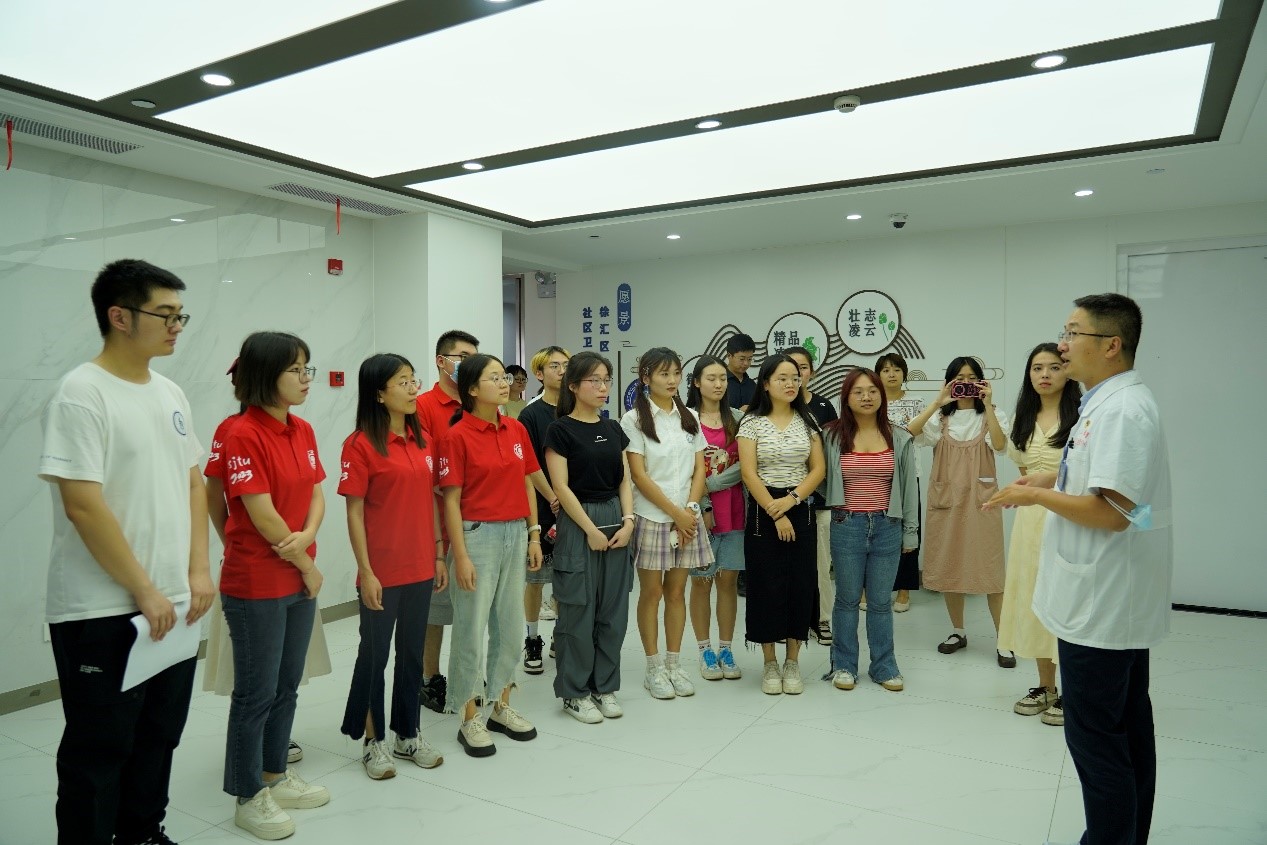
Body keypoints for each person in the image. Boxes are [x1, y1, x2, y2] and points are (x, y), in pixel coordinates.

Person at [39, 259, 212, 845]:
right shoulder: (81, 394)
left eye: (180, 315)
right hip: (103, 610)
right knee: (99, 750)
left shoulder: (170, 392)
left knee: (159, 735)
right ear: (119, 316)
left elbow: (194, 483)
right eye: (165, 315)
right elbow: (83, 505)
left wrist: (197, 570)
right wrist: (143, 589)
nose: (177, 326)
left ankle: (142, 834)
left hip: (175, 602)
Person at [988, 294, 1172, 845]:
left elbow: (1113, 513)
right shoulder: (1102, 401)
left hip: (1103, 603)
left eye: (1072, 333)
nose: (1062, 345)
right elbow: (1102, 483)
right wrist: (1049, 480)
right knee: (1126, 727)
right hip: (1105, 597)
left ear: (1111, 345)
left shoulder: (1123, 410)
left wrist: (1036, 498)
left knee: (1097, 739)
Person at [219, 331, 330, 840]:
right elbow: (261, 515)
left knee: (287, 685)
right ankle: (248, 796)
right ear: (267, 375)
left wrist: (307, 538)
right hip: (256, 580)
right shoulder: (241, 432)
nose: (306, 379)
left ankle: (274, 776)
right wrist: (306, 563)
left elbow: (316, 493)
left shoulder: (301, 428)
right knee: (255, 692)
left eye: (308, 369)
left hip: (297, 571)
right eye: (296, 370)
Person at [338, 354, 444, 780]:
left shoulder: (423, 440)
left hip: (421, 566)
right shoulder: (360, 444)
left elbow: (430, 500)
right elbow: (354, 512)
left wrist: (439, 553)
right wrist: (366, 571)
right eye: (403, 381)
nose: (414, 387)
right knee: (374, 656)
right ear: (379, 394)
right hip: (381, 571)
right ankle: (373, 741)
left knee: (412, 655)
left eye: (413, 379)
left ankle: (407, 734)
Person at [440, 354, 545, 756]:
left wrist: (533, 534)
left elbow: (527, 482)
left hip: (515, 533)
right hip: (477, 535)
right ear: (471, 389)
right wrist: (460, 555)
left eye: (504, 377)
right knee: (470, 628)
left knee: (510, 625)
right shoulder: (456, 436)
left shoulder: (516, 429)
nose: (504, 383)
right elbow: (451, 502)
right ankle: (469, 715)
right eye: (494, 378)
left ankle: (501, 705)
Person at [545, 352, 636, 723]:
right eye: (594, 380)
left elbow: (624, 479)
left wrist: (628, 521)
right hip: (579, 522)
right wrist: (590, 530)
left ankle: (604, 686)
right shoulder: (560, 430)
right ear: (573, 386)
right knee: (577, 611)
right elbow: (561, 488)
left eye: (606, 380)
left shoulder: (613, 428)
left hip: (616, 517)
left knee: (613, 612)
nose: (602, 387)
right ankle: (574, 692)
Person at [907, 356, 1012, 666]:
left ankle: (1004, 640)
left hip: (982, 500)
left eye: (972, 378)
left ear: (982, 382)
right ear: (949, 382)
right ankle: (958, 631)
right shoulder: (940, 418)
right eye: (959, 378)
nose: (966, 384)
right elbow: (910, 432)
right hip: (947, 500)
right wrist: (937, 401)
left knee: (991, 568)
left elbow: (1000, 445)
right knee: (950, 563)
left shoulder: (993, 414)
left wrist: (988, 405)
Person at [819, 369, 919, 692]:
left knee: (879, 602)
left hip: (888, 526)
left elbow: (909, 488)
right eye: (858, 392)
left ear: (881, 396)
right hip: (846, 524)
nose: (866, 397)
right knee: (847, 599)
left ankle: (884, 666)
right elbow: (817, 477)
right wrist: (833, 498)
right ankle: (844, 665)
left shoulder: (899, 437)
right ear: (846, 397)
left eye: (872, 391)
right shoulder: (831, 435)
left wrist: (911, 532)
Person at [621, 347, 713, 700]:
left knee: (677, 593)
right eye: (664, 374)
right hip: (653, 516)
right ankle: (653, 668)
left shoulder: (689, 417)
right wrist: (676, 514)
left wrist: (689, 509)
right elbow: (639, 475)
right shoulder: (633, 420)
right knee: (652, 593)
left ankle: (674, 665)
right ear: (646, 378)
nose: (672, 380)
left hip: (686, 516)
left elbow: (700, 468)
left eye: (676, 373)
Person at [997, 343, 1081, 727]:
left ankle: (1074, 693)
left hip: (1069, 517)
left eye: (1053, 367)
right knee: (1036, 601)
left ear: (1068, 371)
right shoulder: (1023, 417)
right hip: (1030, 523)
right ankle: (1046, 686)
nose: (1044, 374)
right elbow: (1023, 471)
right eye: (1036, 368)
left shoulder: (1082, 416)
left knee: (1068, 603)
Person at [738, 354, 826, 695]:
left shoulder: (808, 421)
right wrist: (776, 513)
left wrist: (791, 501)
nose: (791, 384)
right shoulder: (751, 422)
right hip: (764, 509)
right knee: (765, 586)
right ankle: (769, 662)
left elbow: (818, 470)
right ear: (766, 383)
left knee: (799, 585)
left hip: (799, 505)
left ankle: (792, 661)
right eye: (782, 378)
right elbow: (749, 473)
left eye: (795, 378)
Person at [414, 329, 479, 714]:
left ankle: (467, 674)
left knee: (475, 606)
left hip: (480, 523)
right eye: (462, 356)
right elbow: (423, 466)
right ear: (442, 361)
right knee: (435, 610)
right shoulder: (423, 406)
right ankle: (429, 677)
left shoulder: (480, 402)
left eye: (474, 357)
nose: (469, 364)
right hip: (437, 524)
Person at [686, 356, 745, 681]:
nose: (718, 384)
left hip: (735, 511)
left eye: (722, 378)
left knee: (728, 581)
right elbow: (685, 469)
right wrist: (704, 502)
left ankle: (726, 648)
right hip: (699, 513)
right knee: (701, 581)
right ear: (696, 382)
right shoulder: (686, 420)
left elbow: (747, 464)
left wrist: (712, 483)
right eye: (711, 378)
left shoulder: (739, 419)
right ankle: (704, 649)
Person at [516, 346, 568, 673]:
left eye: (566, 365)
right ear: (540, 373)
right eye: (554, 366)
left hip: (574, 506)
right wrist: (553, 498)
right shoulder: (530, 414)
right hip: (541, 507)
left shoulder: (578, 408)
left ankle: (560, 635)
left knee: (566, 578)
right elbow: (529, 464)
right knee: (535, 578)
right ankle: (532, 637)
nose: (562, 371)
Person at [785, 345, 838, 645]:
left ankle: (822, 619)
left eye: (802, 368)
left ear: (811, 373)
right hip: (783, 503)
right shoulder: (776, 408)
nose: (796, 375)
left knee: (821, 565)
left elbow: (831, 456)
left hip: (818, 502)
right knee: (789, 567)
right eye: (790, 369)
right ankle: (794, 621)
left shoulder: (823, 407)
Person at [876, 352, 925, 612]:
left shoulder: (917, 403)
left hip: (908, 474)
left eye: (896, 369)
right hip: (876, 475)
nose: (891, 374)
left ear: (904, 373)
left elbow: (922, 436)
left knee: (909, 528)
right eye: (885, 370)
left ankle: (904, 589)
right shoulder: (871, 402)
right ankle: (871, 587)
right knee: (875, 530)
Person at [724, 332, 757, 411]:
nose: (746, 363)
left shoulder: (752, 385)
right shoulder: (720, 383)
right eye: (742, 359)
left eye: (749, 359)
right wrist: (738, 413)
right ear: (729, 356)